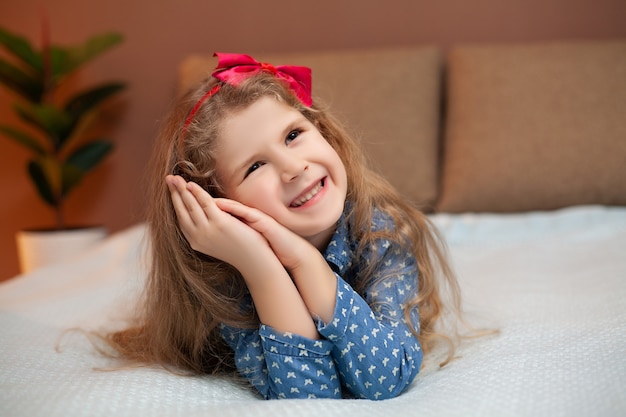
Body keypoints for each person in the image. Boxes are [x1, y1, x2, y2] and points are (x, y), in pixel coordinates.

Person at [104, 52, 462, 400]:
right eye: (255, 167)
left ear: (323, 131)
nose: (293, 167)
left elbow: (386, 378)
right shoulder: (226, 277)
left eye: (293, 135)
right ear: (216, 205)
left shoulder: (382, 232)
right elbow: (308, 399)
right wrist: (260, 266)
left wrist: (304, 261)